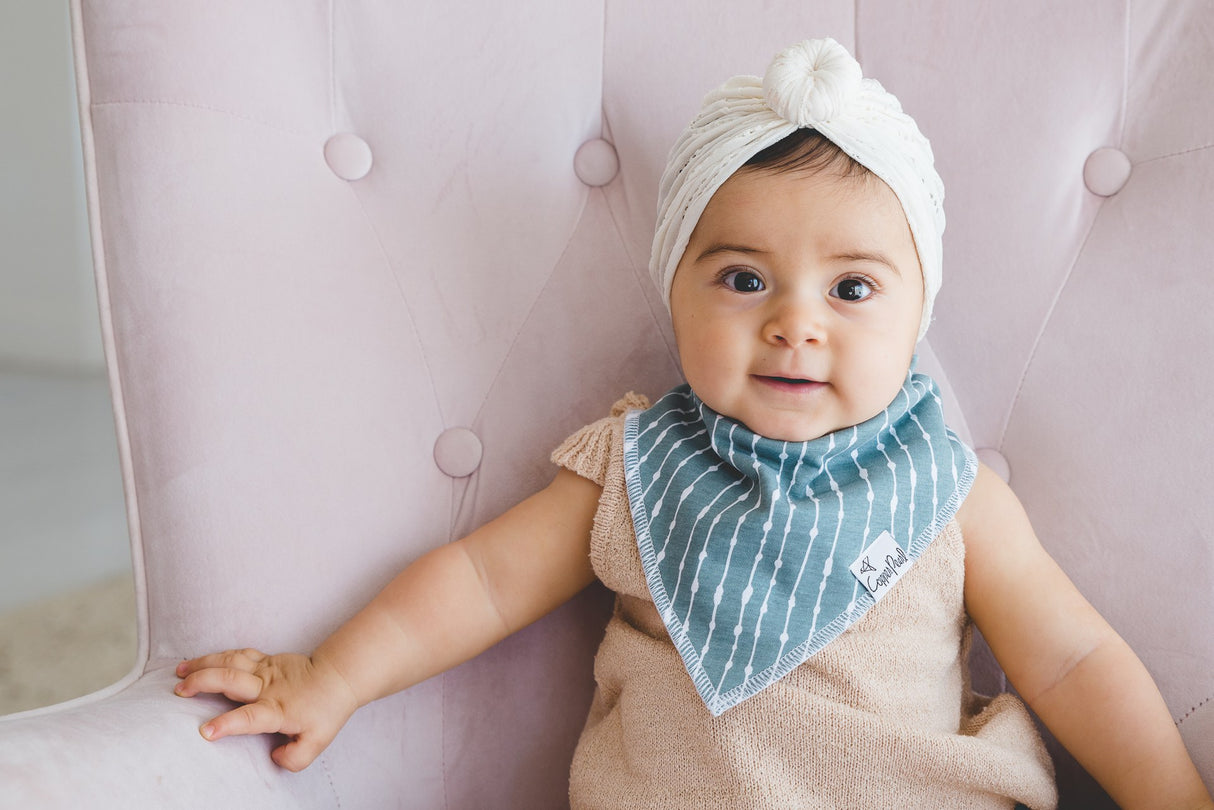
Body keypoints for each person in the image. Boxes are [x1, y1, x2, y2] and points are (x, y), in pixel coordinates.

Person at [174, 39, 1213, 809]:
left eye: (851, 288)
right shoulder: (632, 467)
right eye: (742, 278)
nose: (792, 323)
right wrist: (333, 675)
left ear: (916, 313)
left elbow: (1071, 660)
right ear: (673, 293)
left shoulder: (950, 497)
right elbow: (480, 583)